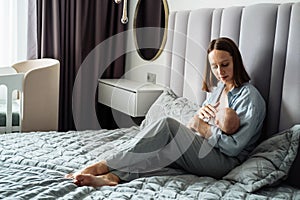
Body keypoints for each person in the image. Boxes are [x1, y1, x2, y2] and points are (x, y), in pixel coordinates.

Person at [66, 37, 266, 187]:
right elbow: (195, 124)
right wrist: (197, 122)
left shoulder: (250, 98)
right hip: (205, 149)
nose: (220, 72)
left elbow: (232, 148)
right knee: (161, 149)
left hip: (224, 161)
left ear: (235, 62)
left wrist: (201, 126)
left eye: (225, 65)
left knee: (168, 126)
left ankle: (104, 165)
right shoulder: (218, 91)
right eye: (214, 67)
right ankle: (114, 177)